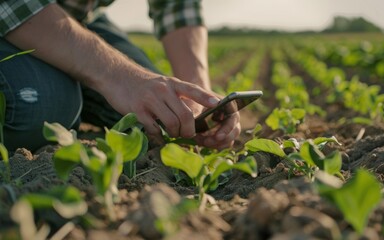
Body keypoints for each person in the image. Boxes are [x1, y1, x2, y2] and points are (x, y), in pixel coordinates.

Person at [0, 0, 241, 151]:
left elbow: (176, 6)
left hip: (73, 15)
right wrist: (121, 77)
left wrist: (200, 100)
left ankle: (67, 70)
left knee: (160, 112)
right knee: (40, 107)